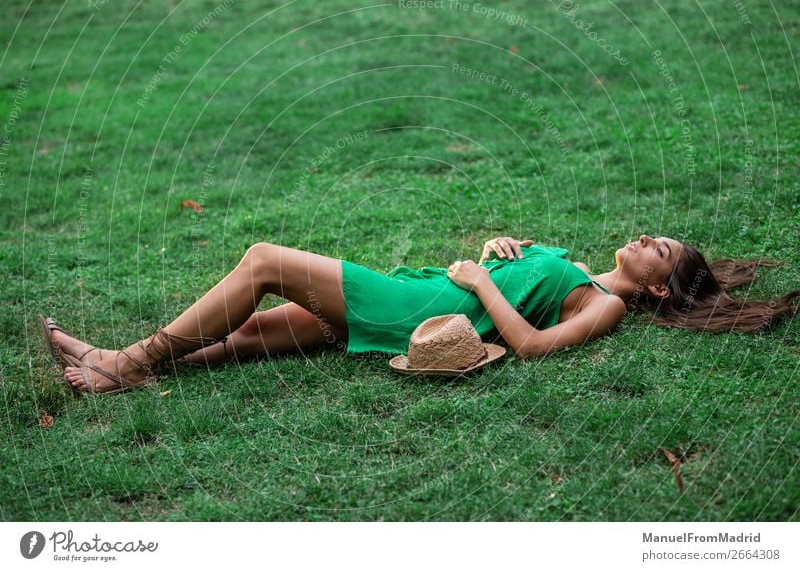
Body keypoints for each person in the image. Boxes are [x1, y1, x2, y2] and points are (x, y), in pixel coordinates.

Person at [43, 235, 799, 394]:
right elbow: (525, 279)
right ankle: (121, 366)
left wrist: (481, 280)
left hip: (425, 305)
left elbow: (533, 346)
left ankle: (128, 361)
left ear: (659, 290)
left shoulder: (602, 306)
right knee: (251, 335)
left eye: (658, 251)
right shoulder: (575, 262)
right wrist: (503, 249)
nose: (644, 239)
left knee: (264, 262)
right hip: (426, 289)